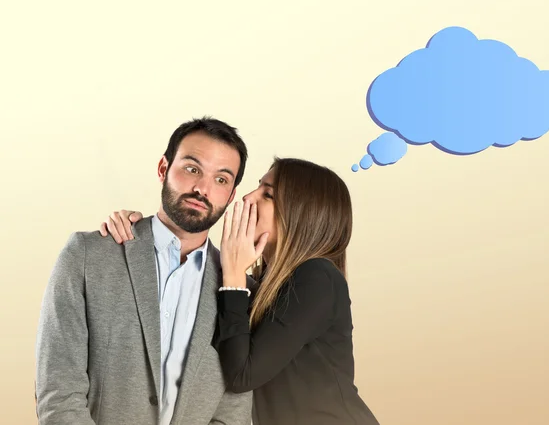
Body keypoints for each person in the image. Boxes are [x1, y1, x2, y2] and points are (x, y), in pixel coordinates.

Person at [102, 157, 381, 425]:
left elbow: (242, 374)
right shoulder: (267, 284)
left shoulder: (317, 276)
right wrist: (141, 229)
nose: (248, 198)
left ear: (302, 212)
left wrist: (234, 274)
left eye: (267, 194)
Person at [35, 117, 253, 425]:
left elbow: (234, 409)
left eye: (221, 180)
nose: (202, 189)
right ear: (163, 169)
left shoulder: (240, 291)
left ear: (230, 196)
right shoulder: (88, 256)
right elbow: (59, 391)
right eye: (192, 168)